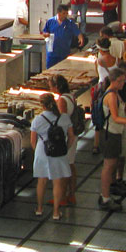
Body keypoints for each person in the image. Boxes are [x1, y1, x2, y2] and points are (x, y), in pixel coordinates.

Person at [99, 69, 126, 212]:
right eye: (122, 81)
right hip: (110, 133)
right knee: (108, 166)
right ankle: (104, 198)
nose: (124, 83)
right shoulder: (111, 95)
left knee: (112, 164)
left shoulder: (115, 93)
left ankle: (107, 195)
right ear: (114, 81)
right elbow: (116, 117)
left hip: (115, 132)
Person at [31, 93, 76, 220]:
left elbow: (33, 141)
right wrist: (66, 148)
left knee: (42, 181)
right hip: (59, 152)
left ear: (42, 106)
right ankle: (56, 212)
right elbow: (71, 136)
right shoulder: (65, 118)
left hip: (42, 151)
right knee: (57, 182)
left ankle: (39, 209)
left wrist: (37, 152)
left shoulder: (37, 120)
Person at [49, 74, 78, 207]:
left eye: (51, 86)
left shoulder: (61, 100)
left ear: (56, 87)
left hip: (66, 136)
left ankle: (61, 197)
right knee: (71, 165)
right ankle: (71, 195)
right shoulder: (71, 96)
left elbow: (62, 120)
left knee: (63, 167)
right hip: (73, 134)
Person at [42, 4, 85, 68]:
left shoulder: (69, 23)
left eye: (66, 13)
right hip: (52, 53)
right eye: (63, 13)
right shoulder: (50, 21)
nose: (65, 15)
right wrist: (45, 34)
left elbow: (77, 32)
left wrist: (81, 38)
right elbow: (44, 32)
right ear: (59, 13)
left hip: (64, 52)